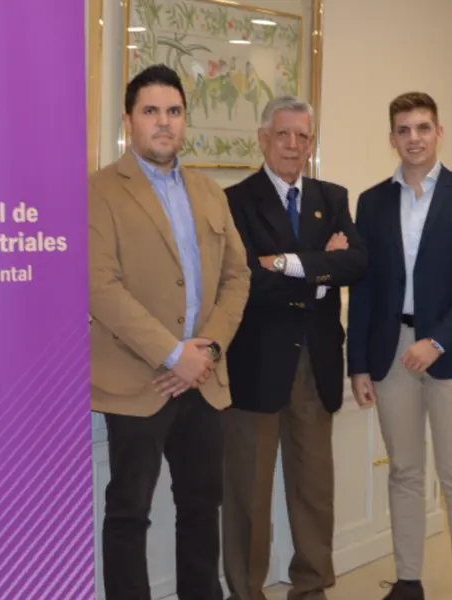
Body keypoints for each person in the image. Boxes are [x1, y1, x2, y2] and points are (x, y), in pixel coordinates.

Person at [88, 63, 251, 600]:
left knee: (202, 507)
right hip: (137, 382)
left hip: (203, 378)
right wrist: (170, 353)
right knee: (129, 513)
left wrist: (206, 351)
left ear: (186, 121)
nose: (164, 123)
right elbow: (101, 288)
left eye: (174, 111)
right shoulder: (99, 192)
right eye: (151, 111)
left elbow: (237, 276)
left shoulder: (210, 192)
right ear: (128, 121)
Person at [347, 92, 452, 600]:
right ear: (391, 137)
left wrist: (436, 340)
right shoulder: (372, 202)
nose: (413, 138)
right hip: (390, 351)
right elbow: (366, 286)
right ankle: (409, 580)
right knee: (405, 471)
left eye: (422, 127)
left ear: (439, 132)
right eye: (403, 129)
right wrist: (358, 365)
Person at [222, 96, 368, 600]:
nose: (293, 145)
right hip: (256, 365)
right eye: (283, 134)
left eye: (303, 136)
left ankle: (310, 588)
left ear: (311, 143)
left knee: (313, 490)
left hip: (316, 361)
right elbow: (246, 281)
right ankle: (246, 591)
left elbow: (357, 264)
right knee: (248, 494)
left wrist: (284, 263)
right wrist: (318, 269)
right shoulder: (235, 200)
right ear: (263, 138)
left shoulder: (333, 195)